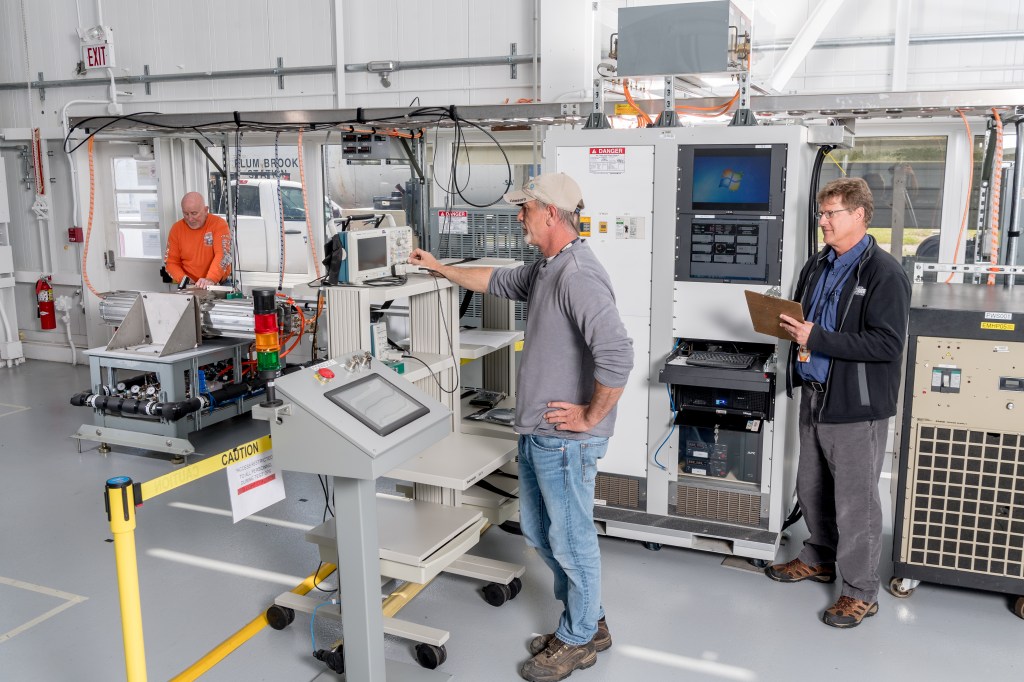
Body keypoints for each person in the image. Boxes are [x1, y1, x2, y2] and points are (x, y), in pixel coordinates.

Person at [408, 173, 633, 681]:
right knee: (540, 531)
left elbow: (617, 352)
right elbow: (494, 280)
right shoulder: (547, 268)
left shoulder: (577, 272)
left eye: (526, 209)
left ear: (551, 213)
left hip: (565, 441)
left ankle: (578, 638)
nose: (520, 217)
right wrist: (440, 267)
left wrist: (590, 415)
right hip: (538, 434)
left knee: (571, 540)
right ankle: (587, 621)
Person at [765, 177, 911, 628]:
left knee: (856, 502)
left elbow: (887, 344)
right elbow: (811, 321)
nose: (823, 221)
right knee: (811, 488)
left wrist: (818, 337)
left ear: (860, 216)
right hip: (814, 393)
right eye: (822, 213)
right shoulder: (817, 265)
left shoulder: (884, 273)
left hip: (855, 405)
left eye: (832, 214)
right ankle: (820, 556)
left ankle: (861, 590)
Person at [164, 192, 232, 289]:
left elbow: (223, 255)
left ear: (205, 210)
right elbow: (171, 262)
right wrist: (184, 279)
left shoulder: (219, 224)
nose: (190, 219)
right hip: (188, 286)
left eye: (194, 213)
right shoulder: (176, 229)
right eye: (186, 214)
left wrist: (210, 279)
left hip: (218, 284)